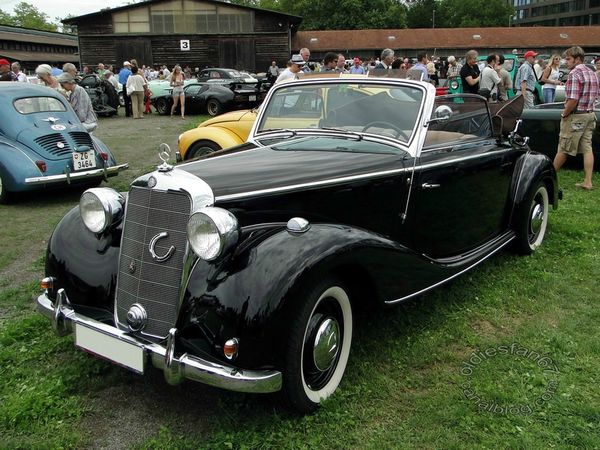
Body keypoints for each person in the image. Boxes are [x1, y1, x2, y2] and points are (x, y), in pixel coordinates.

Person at [553, 46, 599, 191]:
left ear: (577, 59)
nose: (565, 62)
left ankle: (548, 176)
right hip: (590, 114)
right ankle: (588, 181)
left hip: (576, 116)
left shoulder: (574, 73)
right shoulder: (592, 73)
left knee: (564, 148)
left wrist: (564, 114)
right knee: (587, 148)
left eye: (568, 59)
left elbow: (572, 100)